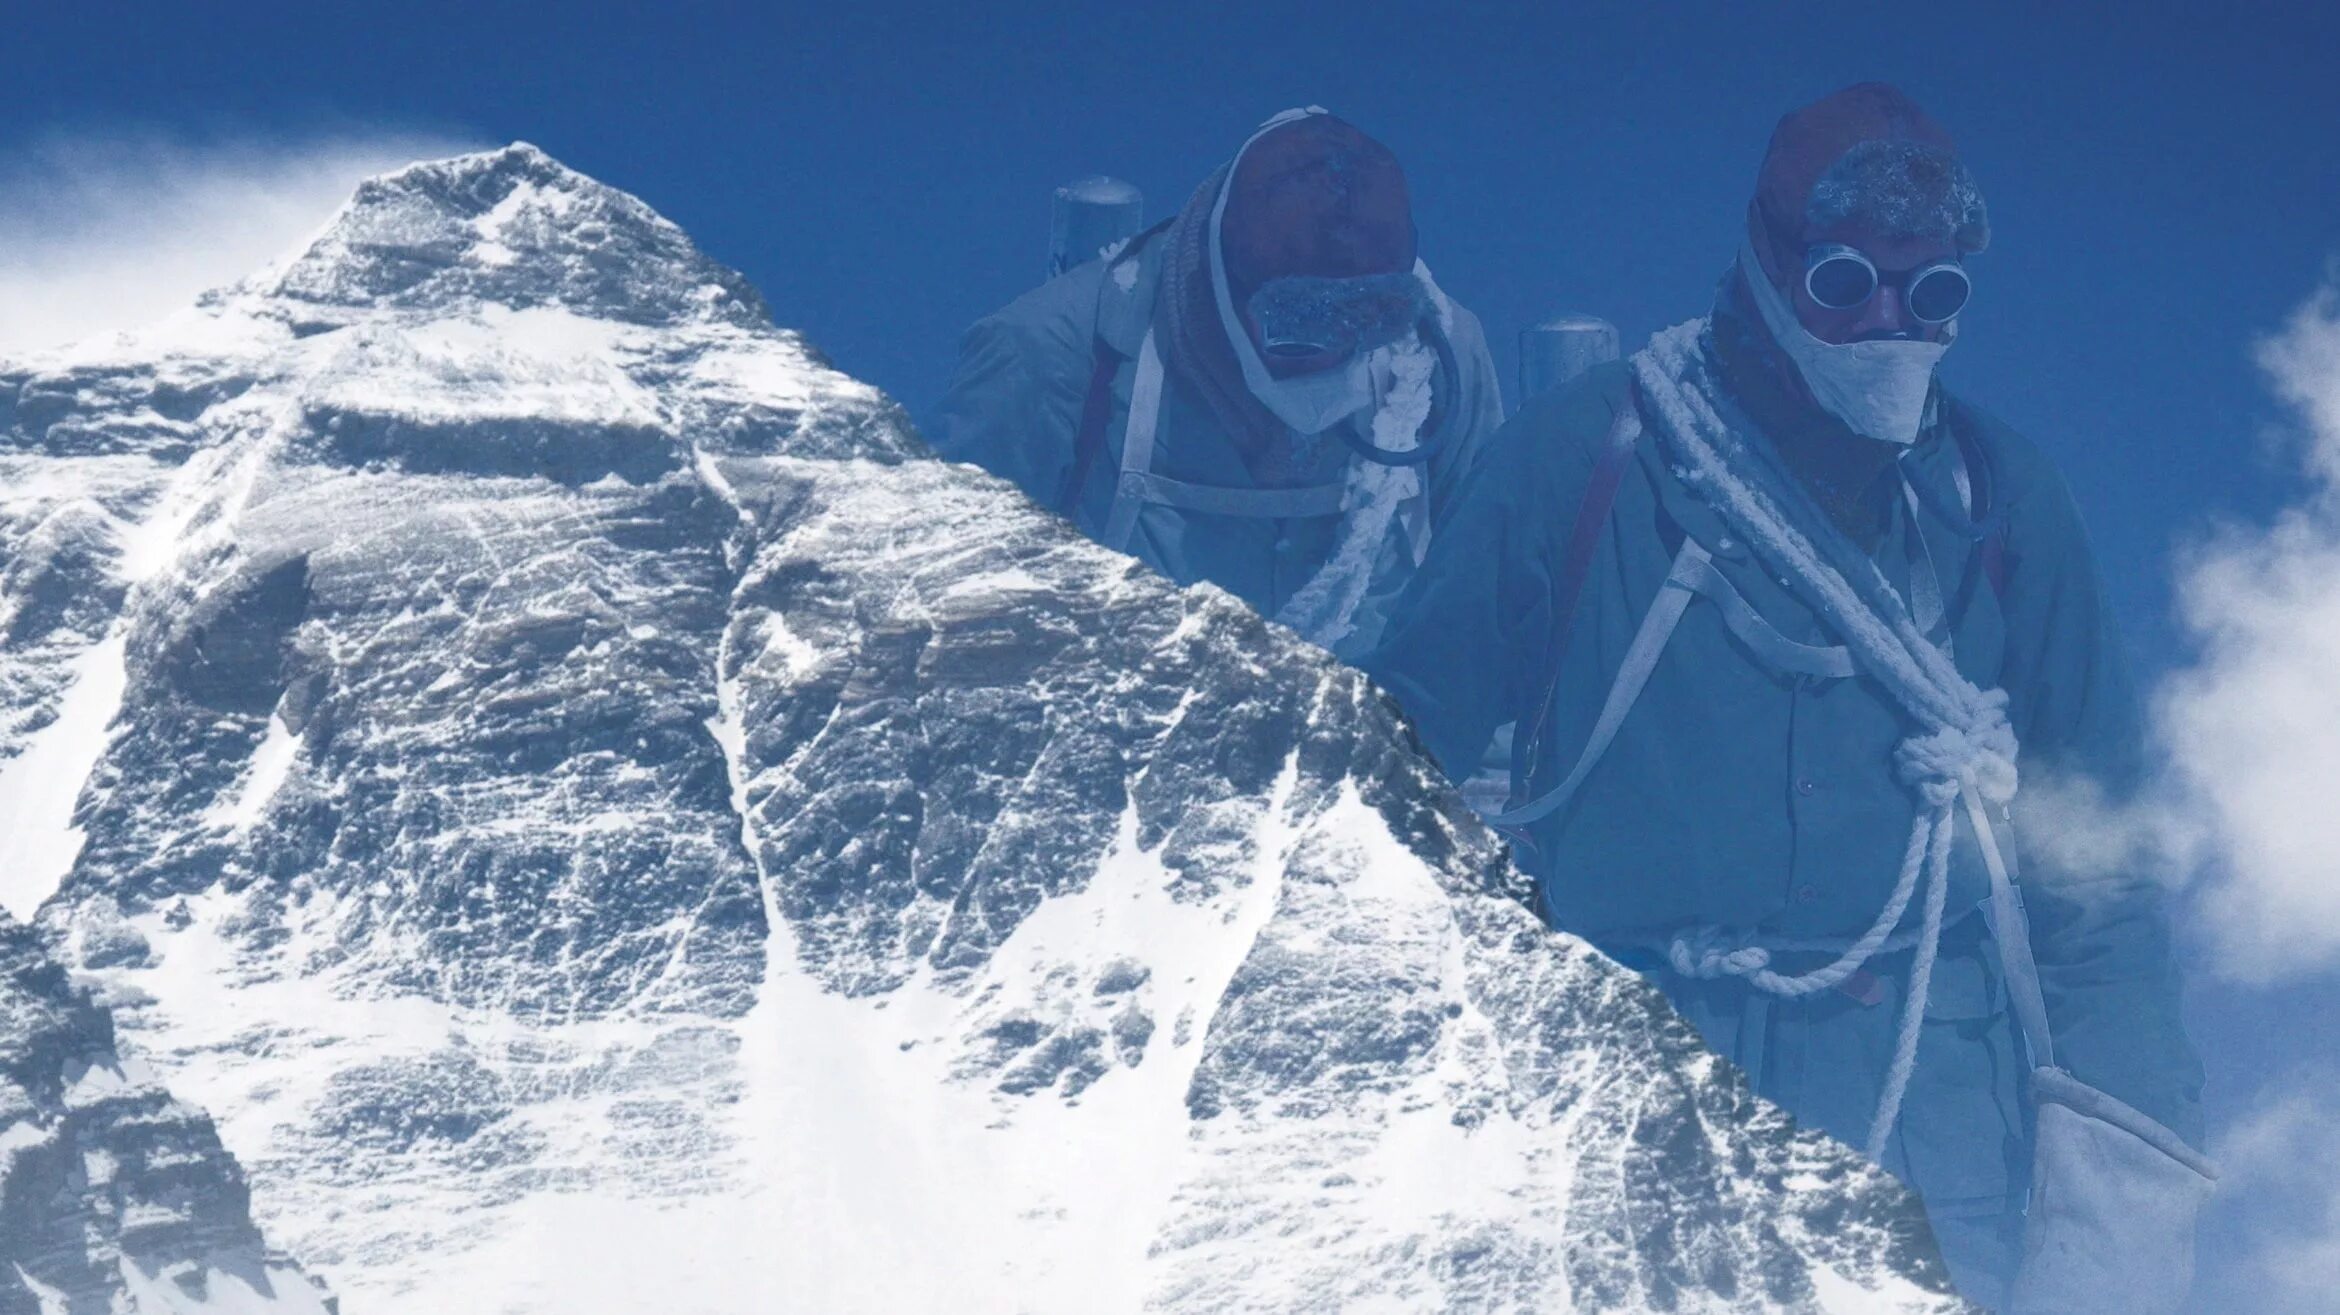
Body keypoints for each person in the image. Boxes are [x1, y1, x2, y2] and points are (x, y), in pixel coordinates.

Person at [1364, 84, 2208, 1310]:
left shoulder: (2005, 506)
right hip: (1632, 1102)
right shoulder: (1579, 463)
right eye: (1843, 282)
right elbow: (1387, 782)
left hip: (1935, 1140)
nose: (1883, 322)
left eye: (1930, 295)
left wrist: (2117, 1237)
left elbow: (2103, 874)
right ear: (1764, 260)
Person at [933, 108, 1503, 660]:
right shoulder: (1054, 351)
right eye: (1298, 326)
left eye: (1365, 323)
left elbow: (1487, 600)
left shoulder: (1437, 357)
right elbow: (953, 613)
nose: (1333, 352)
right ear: (1222, 283)